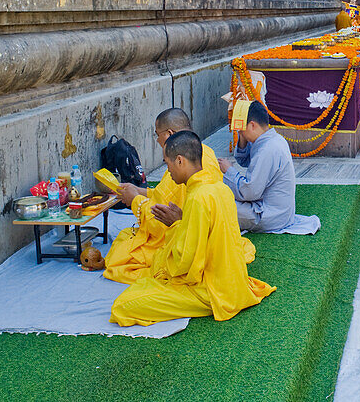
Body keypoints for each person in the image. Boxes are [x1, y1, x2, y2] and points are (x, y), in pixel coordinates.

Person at [110, 131, 275, 326]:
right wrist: (182, 221)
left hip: (211, 290)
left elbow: (185, 264)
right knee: (146, 280)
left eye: (168, 164)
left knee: (123, 305)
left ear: (180, 161)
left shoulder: (198, 197)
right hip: (232, 281)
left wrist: (175, 226)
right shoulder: (219, 188)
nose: (168, 171)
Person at [104, 108, 253, 284]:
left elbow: (159, 222)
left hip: (191, 253)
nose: (157, 140)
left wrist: (135, 200)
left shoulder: (196, 193)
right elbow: (166, 195)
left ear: (169, 134)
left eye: (157, 134)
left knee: (120, 255)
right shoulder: (206, 153)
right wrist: (138, 191)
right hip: (210, 245)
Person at [219, 100, 298, 232]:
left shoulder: (268, 148)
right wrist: (242, 138)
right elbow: (245, 161)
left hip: (271, 216)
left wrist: (229, 170)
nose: (241, 134)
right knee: (221, 196)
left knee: (219, 203)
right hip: (278, 211)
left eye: (241, 130)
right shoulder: (272, 139)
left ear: (252, 125)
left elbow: (249, 193)